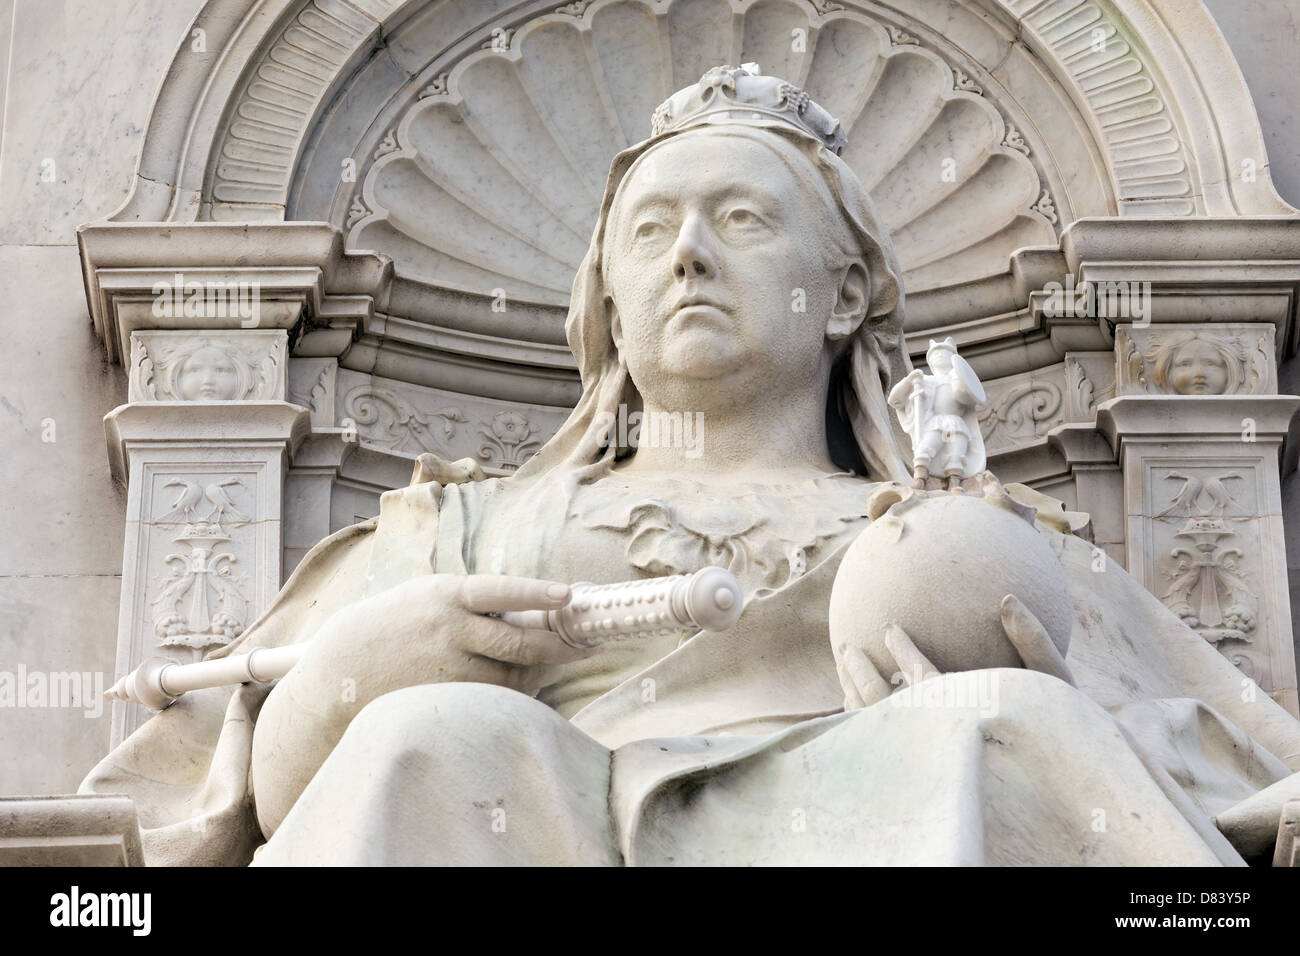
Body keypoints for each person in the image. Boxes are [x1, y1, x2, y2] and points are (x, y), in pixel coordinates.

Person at [83, 66, 1300, 866]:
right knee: (439, 734)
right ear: (606, 293)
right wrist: (342, 680)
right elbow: (208, 818)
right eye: (652, 230)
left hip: (886, 814)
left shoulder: (982, 530)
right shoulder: (457, 529)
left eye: (746, 220)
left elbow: (1223, 773)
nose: (691, 258)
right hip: (527, 818)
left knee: (998, 718)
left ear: (845, 295)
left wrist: (1055, 683)